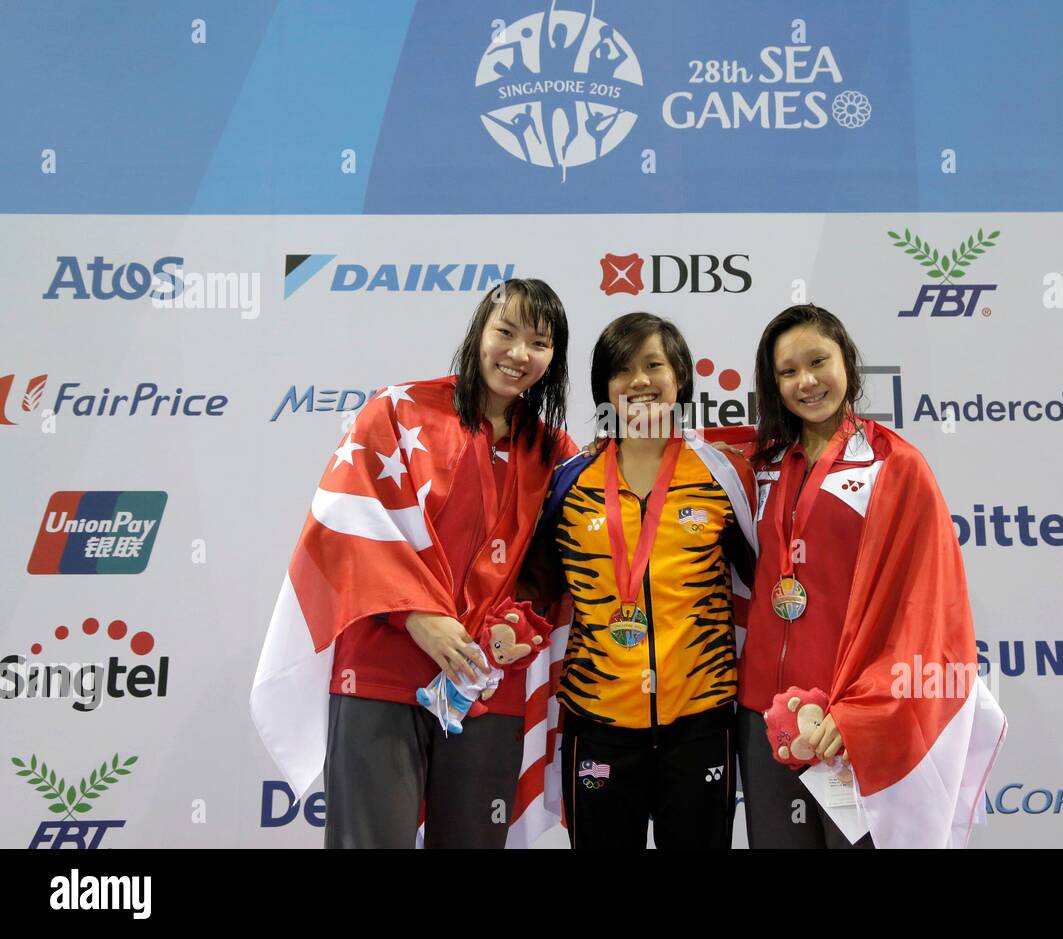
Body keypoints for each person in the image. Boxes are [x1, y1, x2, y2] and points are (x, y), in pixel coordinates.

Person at [251, 278, 575, 848]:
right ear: (479, 334)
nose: (519, 354)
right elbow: (348, 526)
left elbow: (558, 571)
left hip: (484, 679)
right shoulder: (397, 410)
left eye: (539, 342)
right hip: (382, 669)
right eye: (505, 333)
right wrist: (418, 616)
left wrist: (517, 627)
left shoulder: (555, 453)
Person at [736, 304, 1005, 849]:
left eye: (819, 362)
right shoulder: (759, 462)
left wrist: (866, 705)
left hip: (851, 718)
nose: (806, 382)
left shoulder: (896, 466)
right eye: (787, 372)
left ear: (848, 364)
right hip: (766, 717)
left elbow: (928, 606)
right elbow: (677, 457)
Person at [525, 312, 756, 849]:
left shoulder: (724, 474)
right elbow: (534, 589)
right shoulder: (570, 481)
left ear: (680, 377)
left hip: (700, 721)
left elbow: (765, 586)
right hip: (598, 721)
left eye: (654, 365)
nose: (640, 381)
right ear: (604, 387)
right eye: (622, 369)